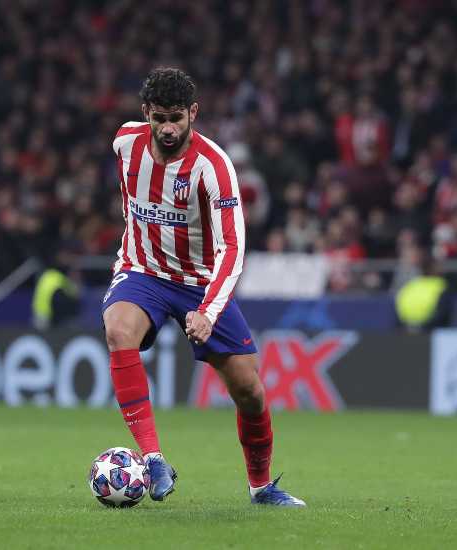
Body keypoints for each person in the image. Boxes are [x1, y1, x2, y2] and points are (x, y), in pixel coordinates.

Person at [102, 68, 305, 507]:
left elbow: (233, 247)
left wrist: (209, 311)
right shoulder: (124, 143)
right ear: (146, 115)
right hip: (144, 271)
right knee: (118, 330)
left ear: (193, 112)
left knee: (249, 390)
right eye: (159, 119)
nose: (168, 128)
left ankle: (261, 487)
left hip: (199, 283)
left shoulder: (214, 168)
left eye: (176, 117)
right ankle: (153, 459)